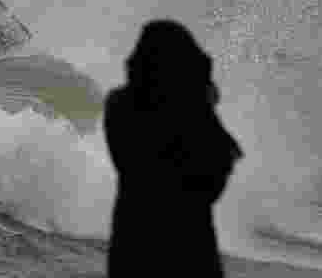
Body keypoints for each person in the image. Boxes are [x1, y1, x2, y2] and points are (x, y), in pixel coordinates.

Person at [104, 20, 242, 278]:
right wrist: (201, 94)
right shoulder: (193, 114)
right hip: (189, 249)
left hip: (131, 246)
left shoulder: (118, 105)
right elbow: (213, 180)